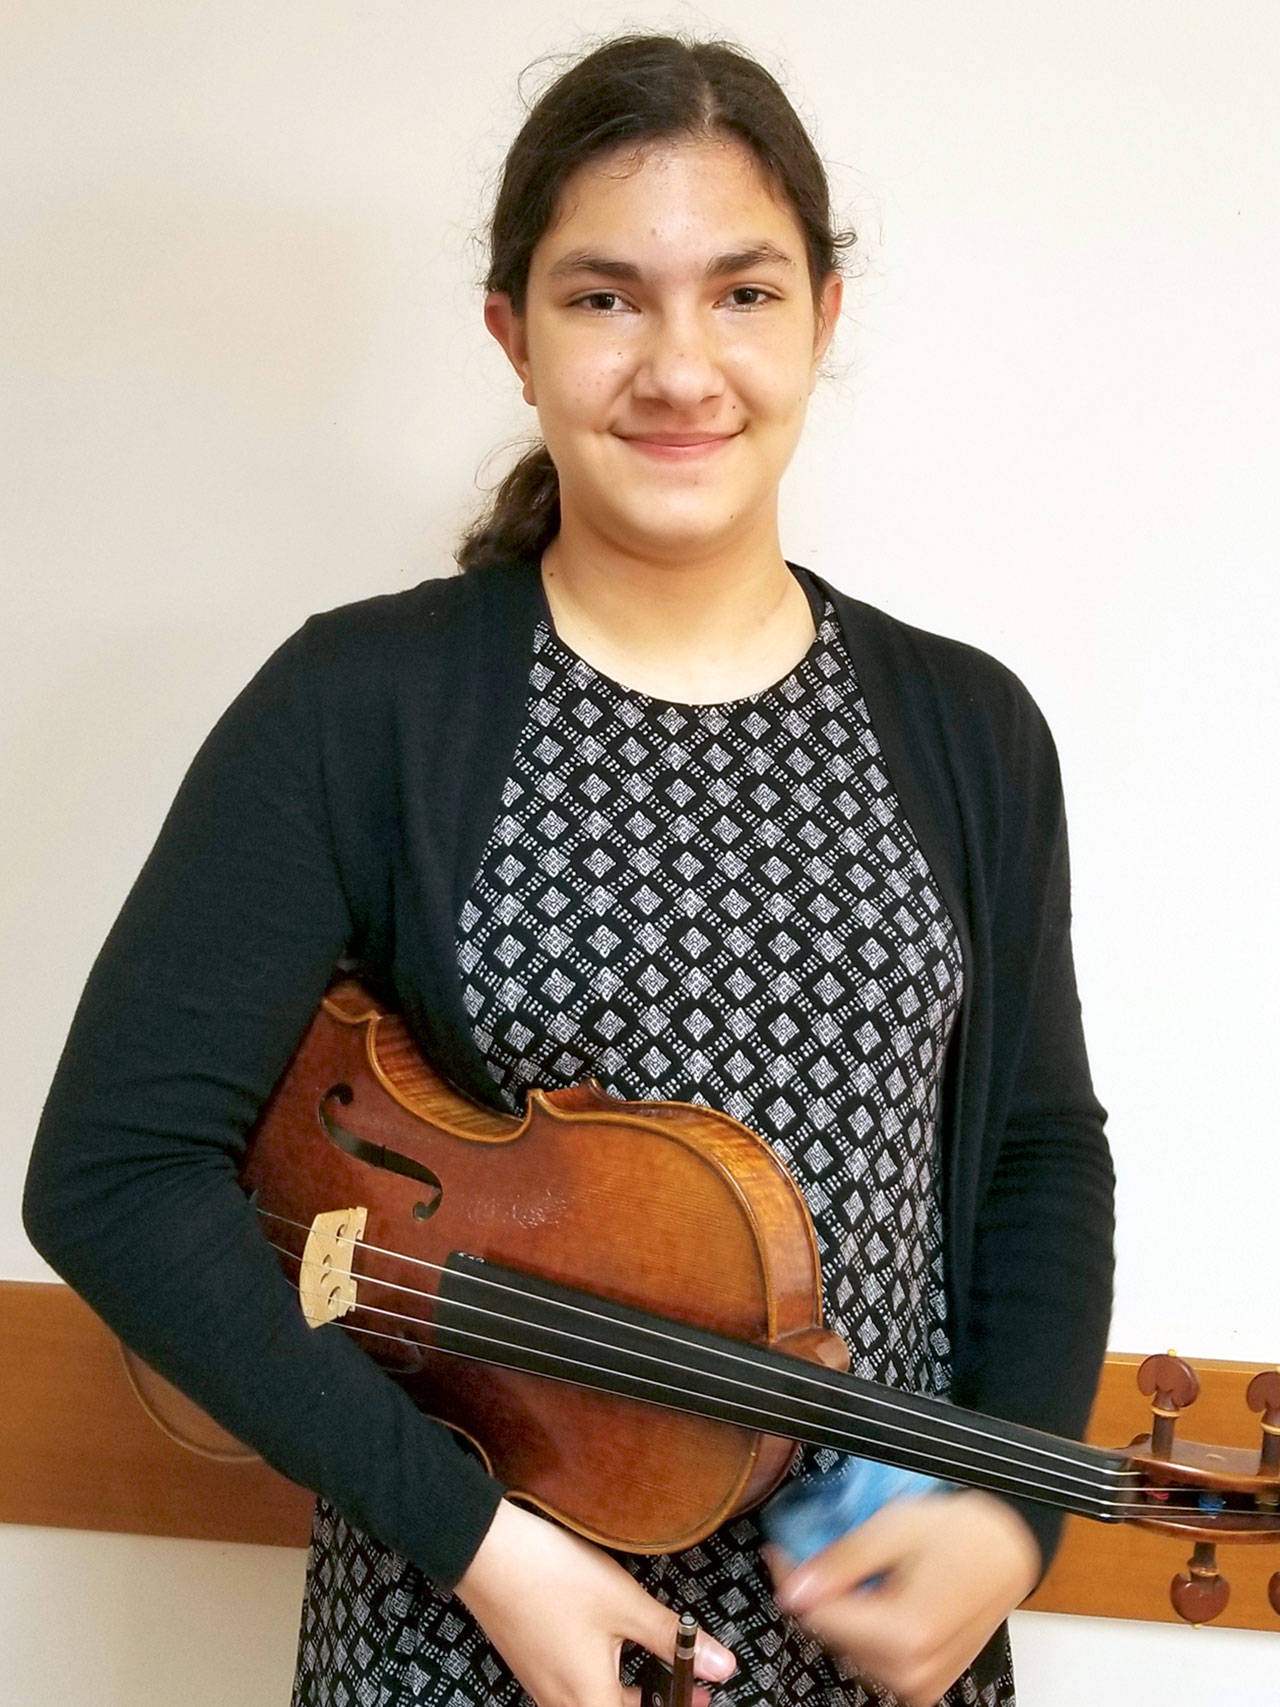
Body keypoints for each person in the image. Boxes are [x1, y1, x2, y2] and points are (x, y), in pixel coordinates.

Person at [23, 30, 1114, 1707]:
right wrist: (480, 1546)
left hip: (868, 1655)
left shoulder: (967, 728)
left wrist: (1019, 1509)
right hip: (471, 1641)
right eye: (605, 297)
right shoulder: (363, 703)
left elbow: (1038, 1154)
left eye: (742, 295)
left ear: (825, 317)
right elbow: (115, 1174)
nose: (681, 367)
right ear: (510, 335)